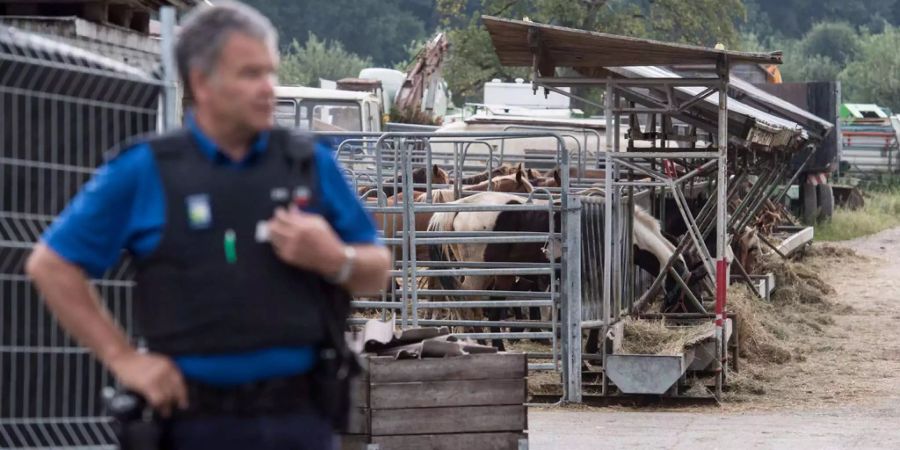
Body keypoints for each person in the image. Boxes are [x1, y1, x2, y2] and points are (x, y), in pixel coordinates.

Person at [25, 2, 391, 449]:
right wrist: (123, 360)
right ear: (202, 81)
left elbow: (377, 270)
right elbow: (51, 265)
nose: (268, 89)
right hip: (193, 423)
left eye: (270, 73)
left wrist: (336, 258)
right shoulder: (147, 170)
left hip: (300, 418)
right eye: (250, 74)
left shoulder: (309, 164)